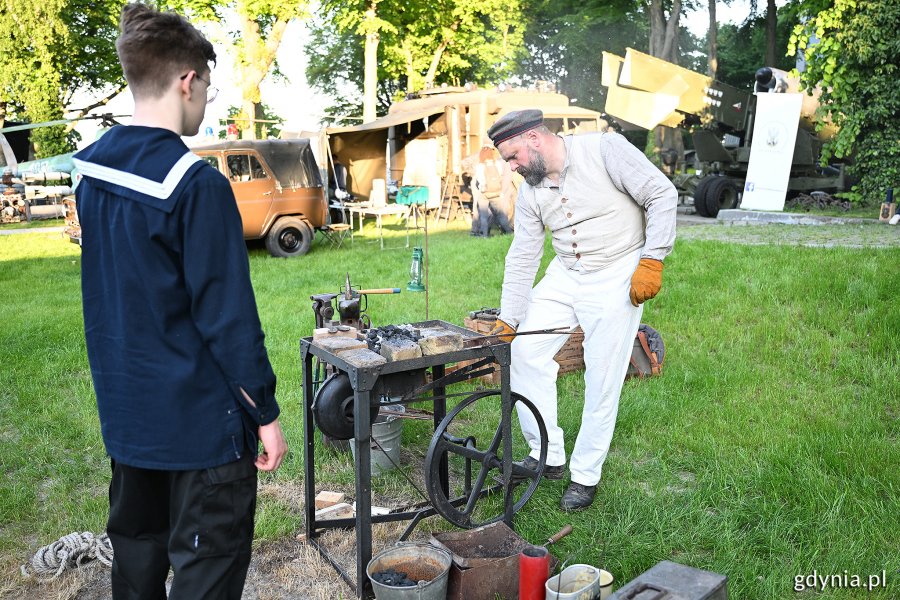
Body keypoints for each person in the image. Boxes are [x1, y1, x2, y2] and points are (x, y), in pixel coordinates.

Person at [72, 4, 288, 598]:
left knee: (136, 561)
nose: (206, 104)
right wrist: (264, 415)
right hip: (200, 428)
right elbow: (228, 319)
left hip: (129, 418)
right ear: (186, 81)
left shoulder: (89, 177)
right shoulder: (196, 185)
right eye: (207, 89)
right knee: (207, 569)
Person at [487, 109, 676, 511]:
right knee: (523, 351)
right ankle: (547, 455)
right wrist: (509, 317)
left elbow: (661, 194)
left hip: (618, 269)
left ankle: (585, 475)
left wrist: (653, 258)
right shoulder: (531, 190)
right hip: (566, 272)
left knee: (602, 372)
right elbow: (523, 254)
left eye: (513, 156)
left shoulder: (605, 149)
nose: (513, 167)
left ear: (535, 139)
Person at [472, 144, 513, 237]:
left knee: (483, 216)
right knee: (501, 215)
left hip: (484, 194)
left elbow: (479, 179)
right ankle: (509, 232)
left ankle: (485, 235)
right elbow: (500, 176)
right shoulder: (497, 164)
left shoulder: (480, 166)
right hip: (496, 193)